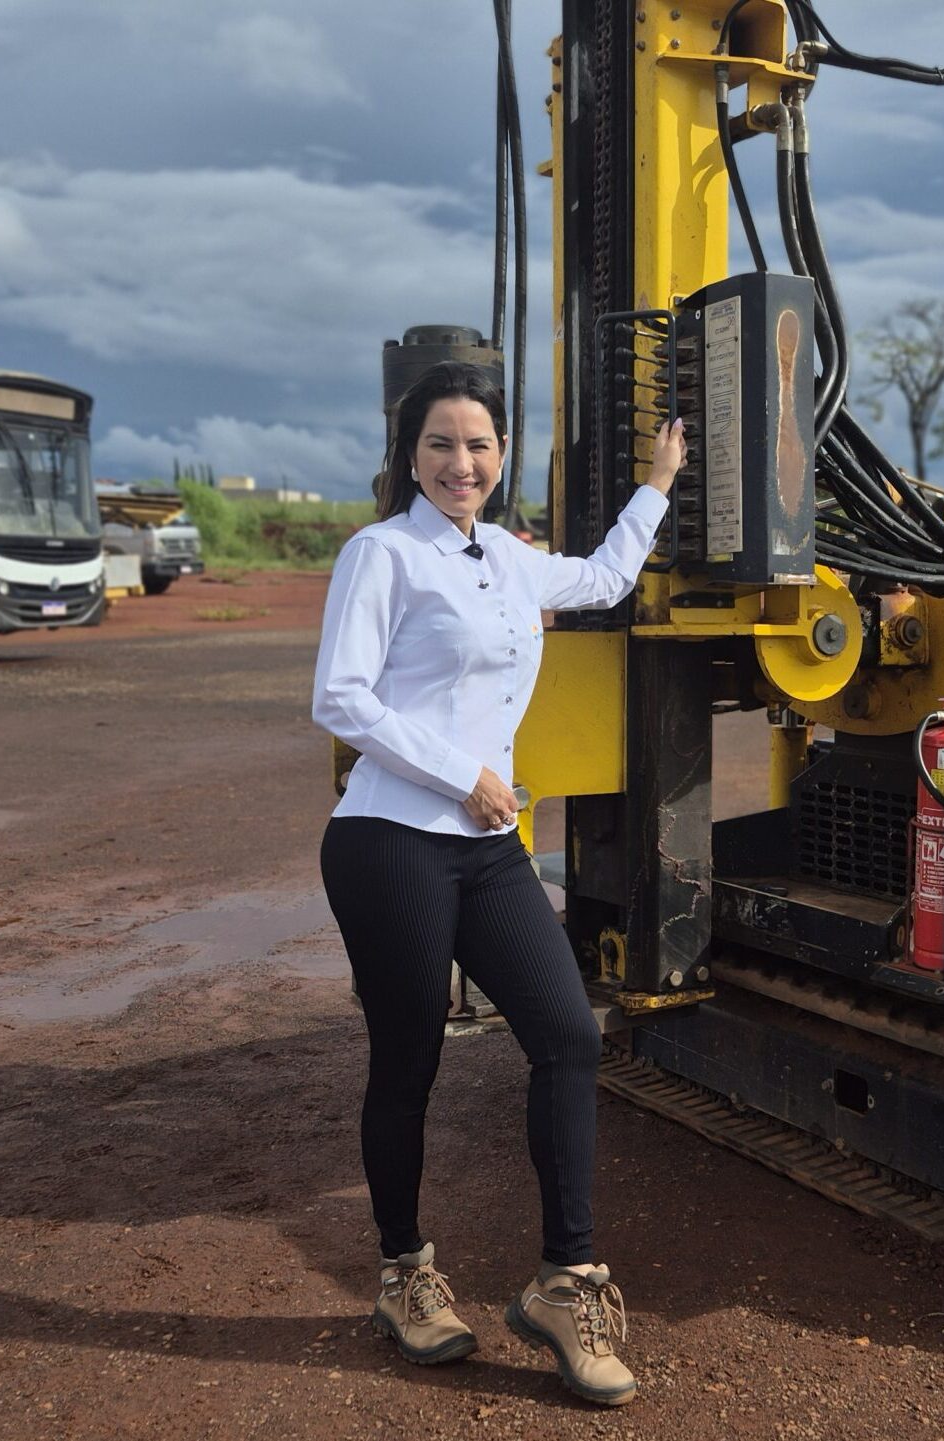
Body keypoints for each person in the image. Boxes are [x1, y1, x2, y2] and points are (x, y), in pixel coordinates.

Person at [312, 361, 684, 1407]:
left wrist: (657, 480)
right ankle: (403, 1273)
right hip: (390, 836)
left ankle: (563, 1284)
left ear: (501, 453)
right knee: (410, 1058)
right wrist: (464, 773)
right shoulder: (380, 552)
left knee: (568, 1034)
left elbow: (608, 580)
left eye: (478, 444)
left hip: (483, 845)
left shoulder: (511, 560)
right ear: (409, 453)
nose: (460, 463)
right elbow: (338, 696)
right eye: (439, 444)